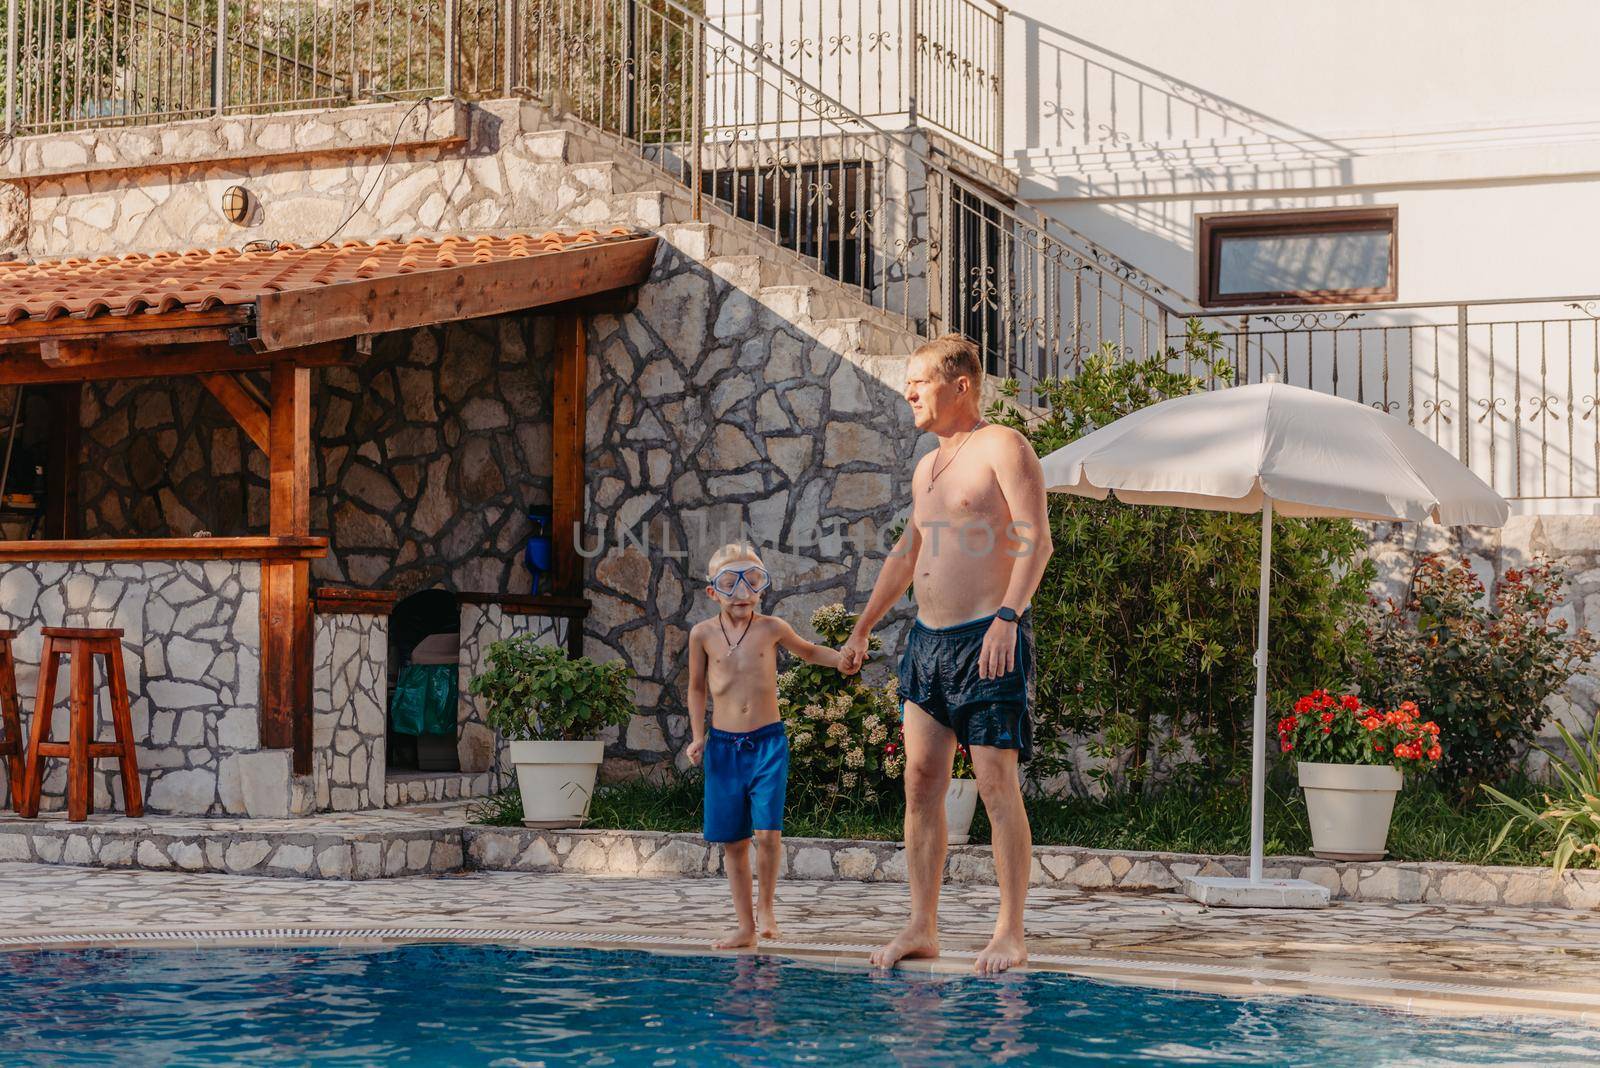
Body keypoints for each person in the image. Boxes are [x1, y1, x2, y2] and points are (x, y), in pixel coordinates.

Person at [841, 333, 1053, 975]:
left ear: (960, 384)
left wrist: (1008, 619)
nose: (907, 392)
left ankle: (1010, 931)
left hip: (988, 638)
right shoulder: (926, 465)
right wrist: (863, 628)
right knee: (921, 785)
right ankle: (922, 925)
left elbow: (1035, 539)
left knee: (995, 785)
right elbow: (907, 554)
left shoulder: (1003, 447)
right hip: (926, 645)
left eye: (919, 380)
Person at [687, 542, 855, 949]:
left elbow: (810, 651)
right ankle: (744, 926)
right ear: (713, 591)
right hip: (724, 748)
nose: (742, 592)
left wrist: (841, 660)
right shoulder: (703, 634)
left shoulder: (772, 628)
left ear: (762, 587)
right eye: (731, 583)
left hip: (768, 743)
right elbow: (695, 688)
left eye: (753, 580)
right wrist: (698, 735)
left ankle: (767, 909)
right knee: (734, 842)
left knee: (768, 834)